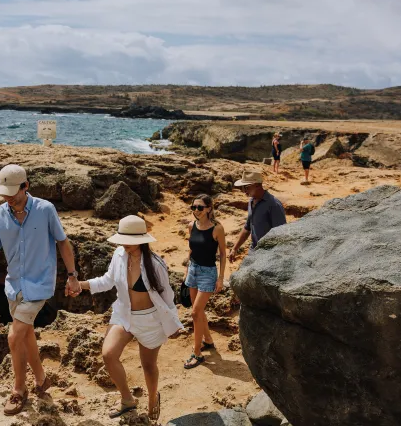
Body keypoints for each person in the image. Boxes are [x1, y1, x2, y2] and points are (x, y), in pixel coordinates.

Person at [0, 164, 80, 416]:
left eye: (12, 192)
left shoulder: (45, 210)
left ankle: (18, 390)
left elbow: (62, 242)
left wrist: (72, 276)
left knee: (14, 336)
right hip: (13, 287)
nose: (7, 198)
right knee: (26, 336)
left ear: (26, 186)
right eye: (4, 193)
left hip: (40, 286)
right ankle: (41, 379)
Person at [67, 215, 182, 422]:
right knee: (109, 354)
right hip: (123, 314)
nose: (123, 244)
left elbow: (167, 296)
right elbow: (107, 281)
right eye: (122, 239)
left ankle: (153, 397)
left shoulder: (155, 264)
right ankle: (127, 399)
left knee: (148, 366)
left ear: (141, 240)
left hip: (150, 320)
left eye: (127, 241)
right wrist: (81, 285)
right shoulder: (119, 255)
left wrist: (173, 324)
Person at [183, 194, 228, 369]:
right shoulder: (191, 226)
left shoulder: (217, 228)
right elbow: (191, 249)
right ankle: (208, 341)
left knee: (195, 313)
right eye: (193, 207)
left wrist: (221, 278)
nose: (196, 211)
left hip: (208, 273)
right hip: (193, 270)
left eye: (200, 207)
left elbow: (223, 254)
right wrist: (187, 269)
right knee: (199, 312)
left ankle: (197, 353)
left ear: (209, 208)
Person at [228, 171, 287, 263]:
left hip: (268, 255)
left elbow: (281, 234)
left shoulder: (273, 204)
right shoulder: (251, 201)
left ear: (257, 185)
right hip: (253, 251)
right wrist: (235, 248)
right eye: (243, 188)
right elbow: (247, 228)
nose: (244, 191)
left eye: (246, 187)